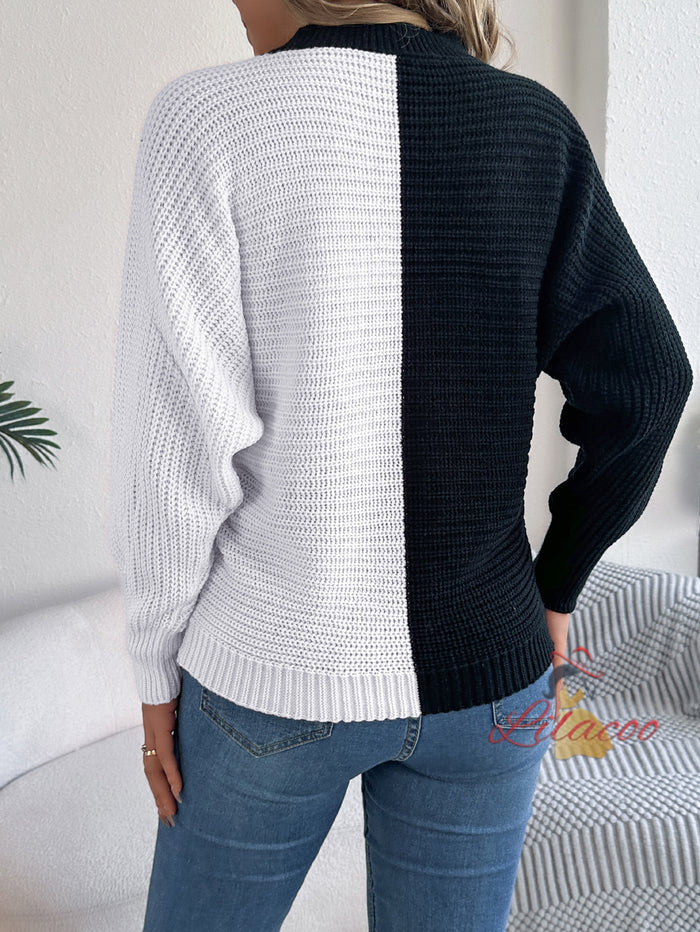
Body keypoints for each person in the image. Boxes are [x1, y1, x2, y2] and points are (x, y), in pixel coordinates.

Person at [107, 1, 693, 930]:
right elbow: (651, 385)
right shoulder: (533, 124)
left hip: (271, 678)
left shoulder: (207, 118)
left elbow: (171, 454)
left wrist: (153, 672)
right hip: (492, 681)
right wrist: (554, 588)